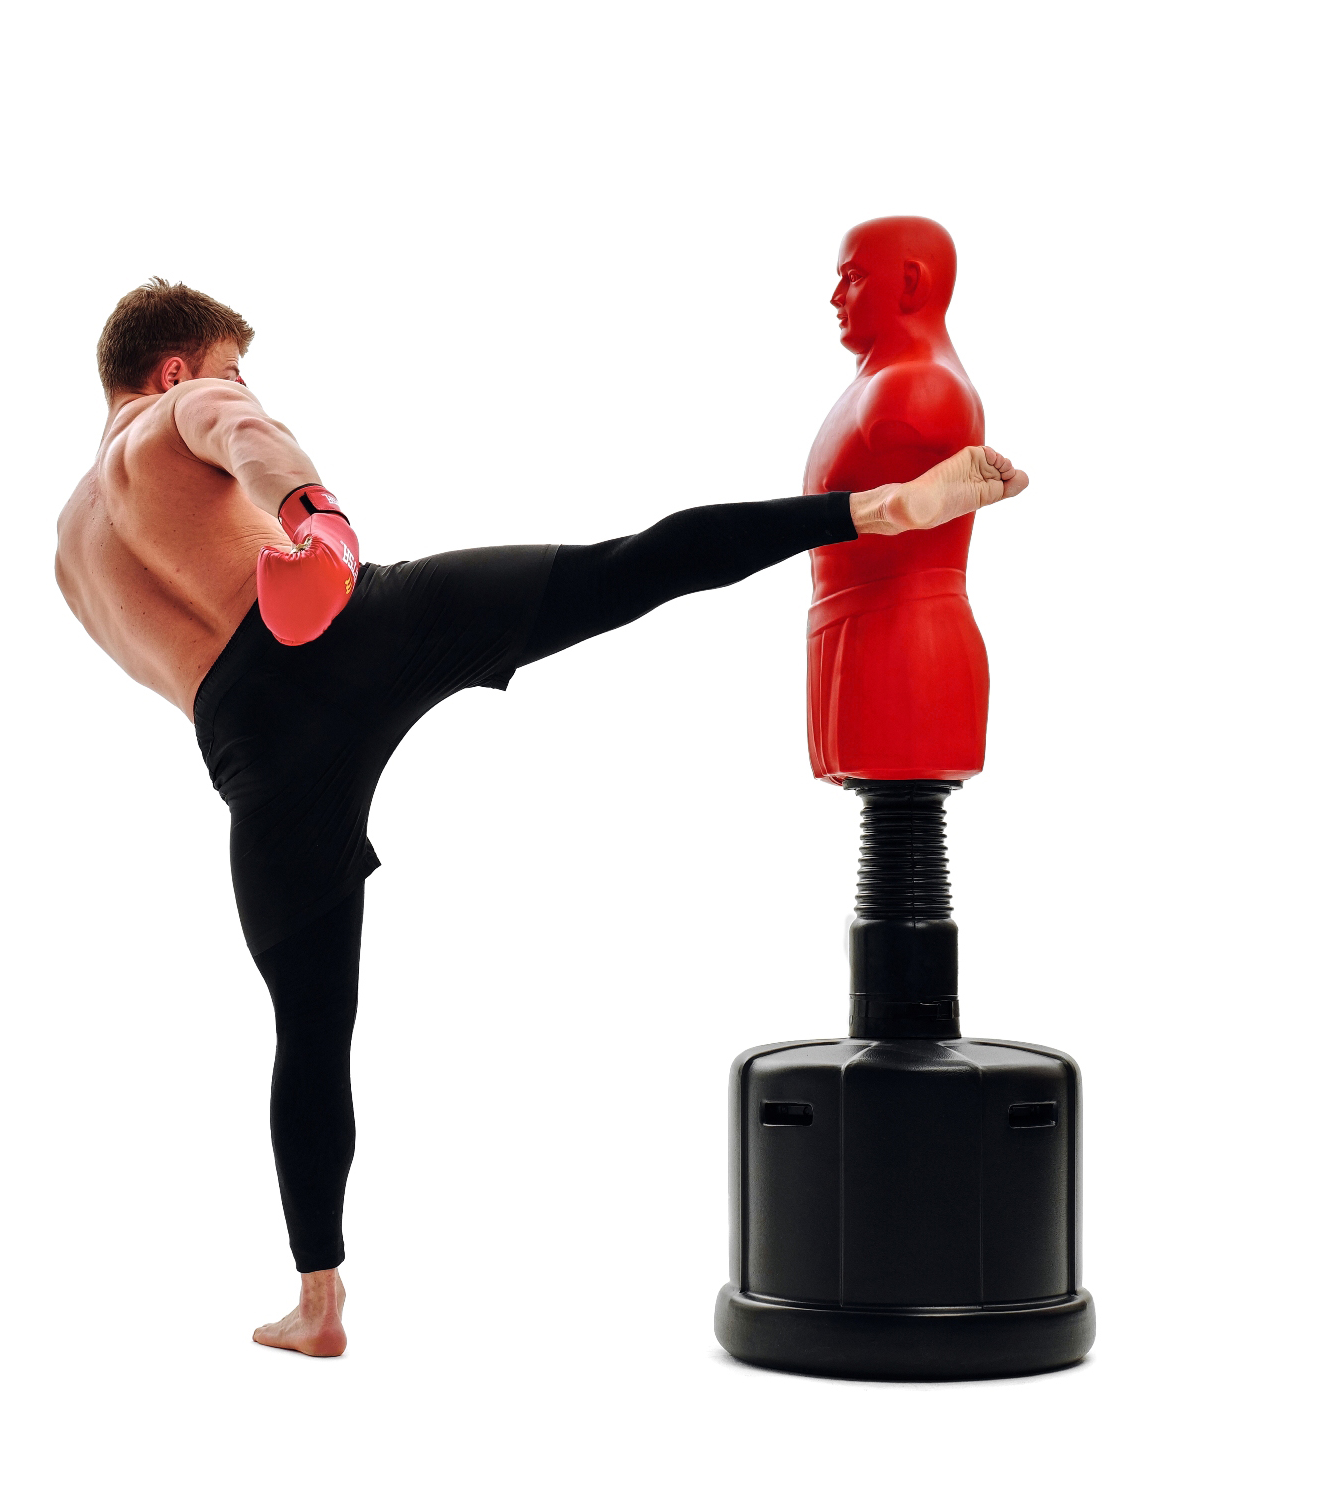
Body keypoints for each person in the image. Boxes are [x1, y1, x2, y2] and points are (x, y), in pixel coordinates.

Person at [55, 277, 1028, 1357]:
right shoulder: (178, 410)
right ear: (173, 368)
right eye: (231, 364)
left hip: (253, 750)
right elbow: (243, 434)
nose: (238, 382)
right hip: (341, 629)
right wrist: (315, 524)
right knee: (630, 565)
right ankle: (883, 508)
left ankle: (318, 1301)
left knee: (311, 1034)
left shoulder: (70, 554)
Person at [804, 216, 991, 782]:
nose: (835, 296)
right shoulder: (869, 388)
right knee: (876, 809)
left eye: (854, 277)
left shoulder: (914, 388)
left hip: (906, 638)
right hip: (853, 631)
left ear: (912, 283)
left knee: (902, 823)